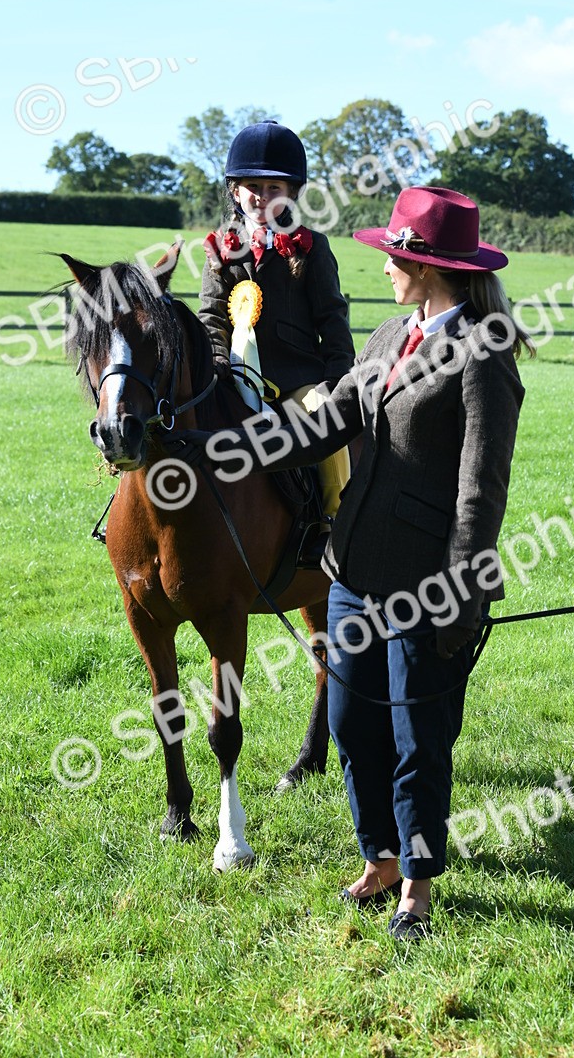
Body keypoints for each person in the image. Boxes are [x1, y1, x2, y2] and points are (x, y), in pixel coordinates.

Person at [184, 186, 533, 942]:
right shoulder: (385, 337)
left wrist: (465, 589)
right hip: (350, 570)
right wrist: (230, 451)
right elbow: (328, 419)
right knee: (350, 721)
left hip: (427, 585)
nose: (384, 269)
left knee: (417, 735)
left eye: (395, 258)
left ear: (430, 267)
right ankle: (376, 856)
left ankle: (416, 883)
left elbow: (482, 488)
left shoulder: (485, 351)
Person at [198, 118, 355, 529]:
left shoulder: (312, 246)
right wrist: (217, 369)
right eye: (253, 188)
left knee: (325, 417)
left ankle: (334, 518)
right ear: (235, 191)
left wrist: (338, 378)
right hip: (235, 377)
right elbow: (211, 315)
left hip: (297, 378)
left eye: (274, 189)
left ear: (292, 193)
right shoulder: (220, 249)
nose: (262, 198)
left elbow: (333, 317)